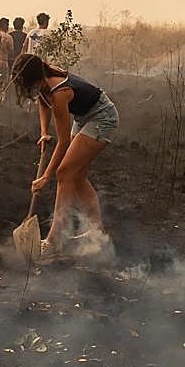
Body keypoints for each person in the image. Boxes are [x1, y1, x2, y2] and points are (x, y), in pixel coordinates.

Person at [11, 53, 118, 260]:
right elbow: (43, 102)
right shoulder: (43, 80)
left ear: (35, 78)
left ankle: (53, 241)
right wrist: (43, 131)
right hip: (85, 117)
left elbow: (63, 143)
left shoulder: (60, 92)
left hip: (102, 118)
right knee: (76, 177)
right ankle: (99, 233)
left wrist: (45, 177)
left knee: (64, 173)